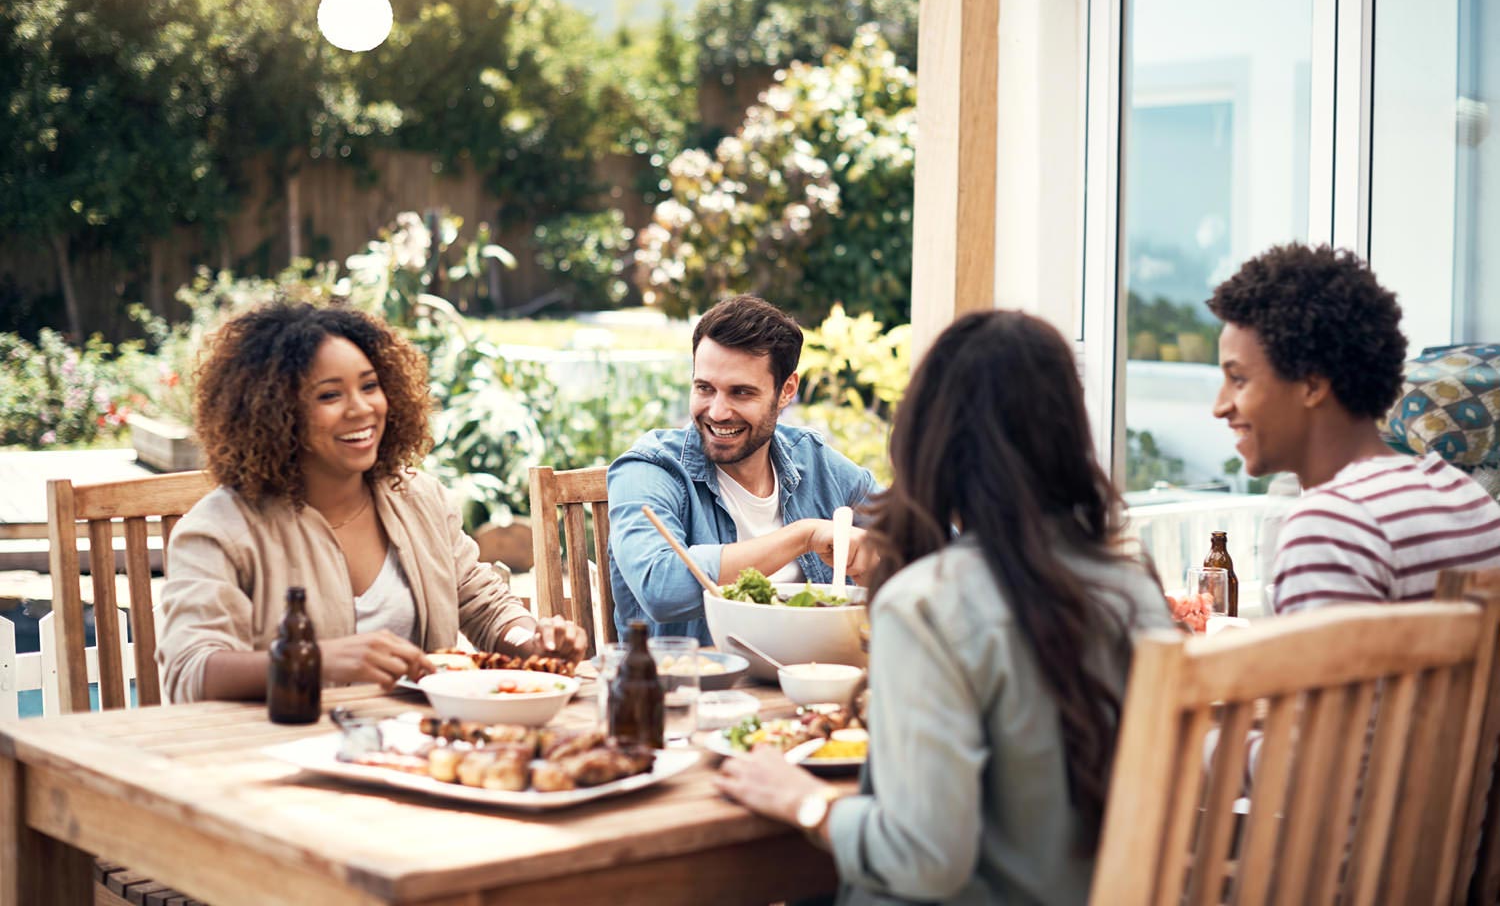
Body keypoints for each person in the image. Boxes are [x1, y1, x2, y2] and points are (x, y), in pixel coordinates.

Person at [716, 310, 1172, 904]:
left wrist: (802, 800)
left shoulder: (927, 605)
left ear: (931, 434)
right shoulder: (1131, 585)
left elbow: (924, 859)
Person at [156, 301, 587, 704]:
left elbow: (485, 607)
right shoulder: (220, 530)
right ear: (274, 412)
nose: (361, 408)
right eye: (329, 395)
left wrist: (530, 640)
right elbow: (190, 671)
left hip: (417, 745)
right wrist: (320, 659)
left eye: (370, 386)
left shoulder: (419, 499)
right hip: (280, 754)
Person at [1209, 243, 1500, 613]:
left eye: (1238, 379)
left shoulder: (1328, 527)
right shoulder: (1466, 496)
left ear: (1312, 386)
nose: (1220, 407)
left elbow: (1318, 674)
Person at [607, 295, 878, 642]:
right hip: (695, 687)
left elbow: (933, 540)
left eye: (741, 393)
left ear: (786, 391)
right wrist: (804, 536)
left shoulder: (813, 460)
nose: (718, 412)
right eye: (704, 388)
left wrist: (879, 559)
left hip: (813, 680)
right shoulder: (649, 469)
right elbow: (661, 587)